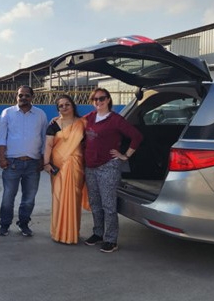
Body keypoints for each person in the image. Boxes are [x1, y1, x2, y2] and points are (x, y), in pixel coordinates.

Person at [82, 88, 143, 253]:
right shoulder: (89, 118)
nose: (98, 102)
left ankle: (111, 239)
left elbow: (136, 136)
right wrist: (56, 121)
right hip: (90, 167)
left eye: (101, 98)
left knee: (108, 204)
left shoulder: (116, 120)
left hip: (107, 166)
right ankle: (98, 233)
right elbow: (72, 125)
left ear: (108, 100)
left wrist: (125, 155)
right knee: (95, 203)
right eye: (94, 99)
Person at [0, 85, 48, 237]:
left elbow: (45, 138)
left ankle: (23, 223)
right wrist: (2, 158)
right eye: (20, 95)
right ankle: (4, 224)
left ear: (32, 97)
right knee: (8, 197)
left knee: (29, 198)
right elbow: (1, 137)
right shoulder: (7, 113)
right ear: (16, 97)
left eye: (27, 95)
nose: (23, 98)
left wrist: (43, 159)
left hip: (33, 163)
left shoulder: (40, 115)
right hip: (12, 163)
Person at [43, 94, 86, 245]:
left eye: (67, 104)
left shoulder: (82, 123)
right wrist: (46, 163)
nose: (64, 107)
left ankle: (72, 233)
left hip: (76, 165)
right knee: (59, 197)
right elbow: (48, 145)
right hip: (58, 166)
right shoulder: (53, 125)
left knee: (74, 198)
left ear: (73, 105)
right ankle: (58, 233)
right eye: (61, 105)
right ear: (57, 109)